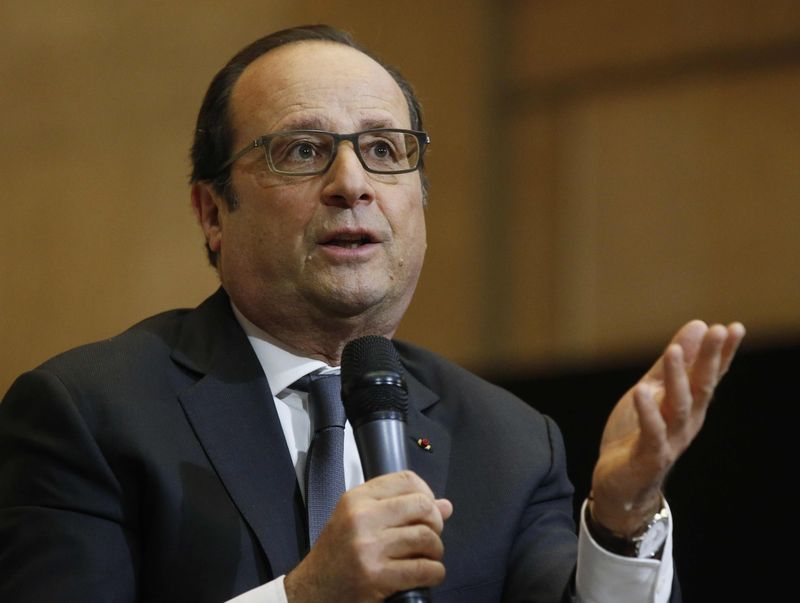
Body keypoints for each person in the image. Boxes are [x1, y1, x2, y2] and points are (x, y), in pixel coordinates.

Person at [0, 24, 744, 603]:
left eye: (385, 149)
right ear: (211, 211)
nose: (351, 182)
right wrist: (303, 594)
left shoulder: (512, 444)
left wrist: (621, 517)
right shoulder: (90, 414)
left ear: (420, 200)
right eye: (301, 150)